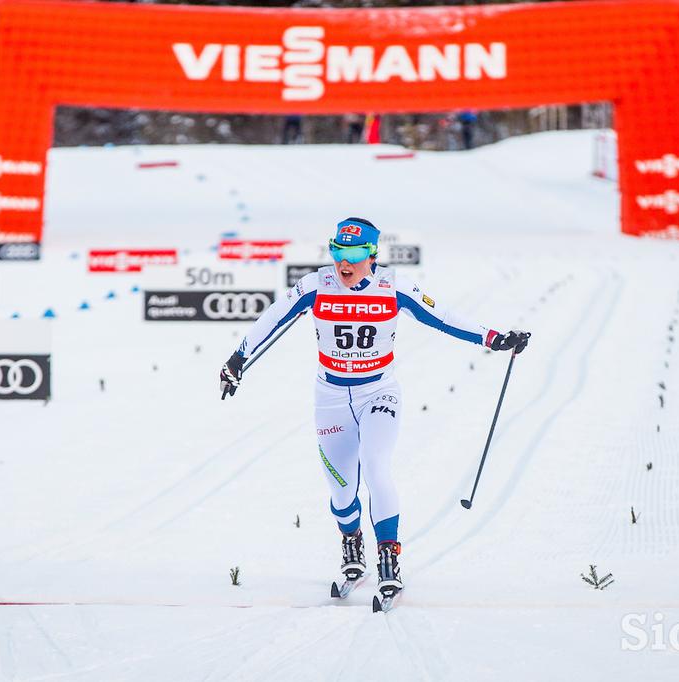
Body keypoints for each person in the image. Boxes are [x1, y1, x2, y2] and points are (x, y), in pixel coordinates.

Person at [219, 217, 530, 600]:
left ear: (371, 255)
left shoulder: (393, 285)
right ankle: (352, 546)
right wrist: (237, 359)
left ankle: (388, 557)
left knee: (376, 465)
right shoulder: (316, 284)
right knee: (341, 489)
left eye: (352, 255)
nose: (343, 264)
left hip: (377, 393)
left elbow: (443, 317)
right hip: (331, 397)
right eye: (337, 252)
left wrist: (495, 338)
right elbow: (273, 318)